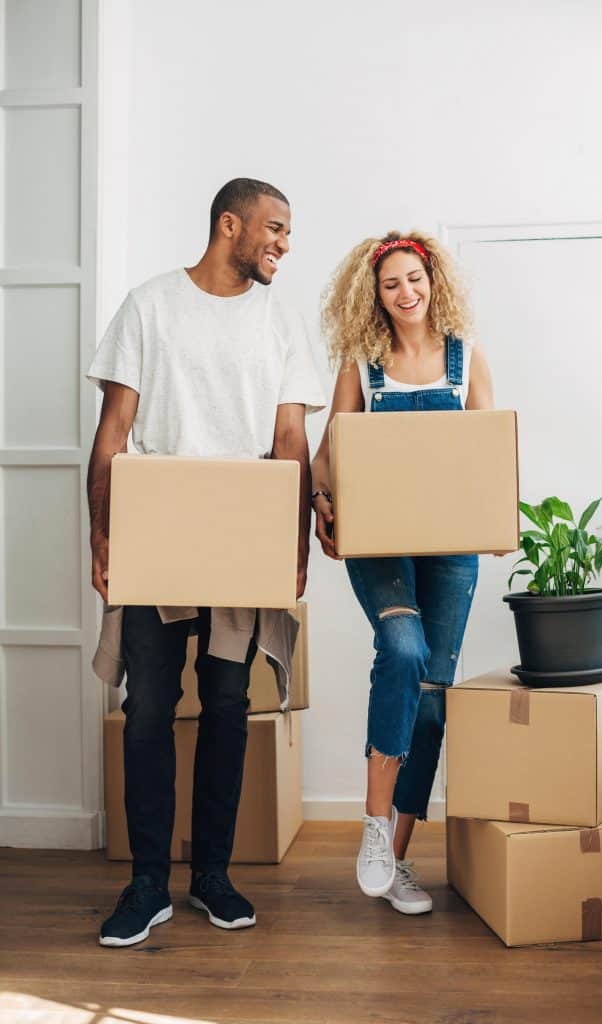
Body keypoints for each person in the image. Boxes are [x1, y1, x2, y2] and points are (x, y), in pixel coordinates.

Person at [87, 178, 325, 947]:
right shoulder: (149, 306)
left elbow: (291, 442)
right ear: (231, 225)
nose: (284, 244)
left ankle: (212, 877)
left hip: (240, 538)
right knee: (149, 706)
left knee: (227, 706)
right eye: (275, 228)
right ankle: (147, 881)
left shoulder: (279, 323)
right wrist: (102, 537)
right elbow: (112, 434)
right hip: (159, 534)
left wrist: (291, 551)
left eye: (286, 232)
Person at [311, 232, 493, 914]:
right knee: (401, 648)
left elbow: (485, 453)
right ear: (374, 294)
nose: (405, 292)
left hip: (450, 550)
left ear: (432, 281)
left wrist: (493, 518)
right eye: (391, 284)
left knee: (432, 691)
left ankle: (397, 858)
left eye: (413, 279)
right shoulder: (360, 365)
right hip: (379, 543)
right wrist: (321, 499)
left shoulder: (465, 360)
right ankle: (372, 824)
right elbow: (330, 453)